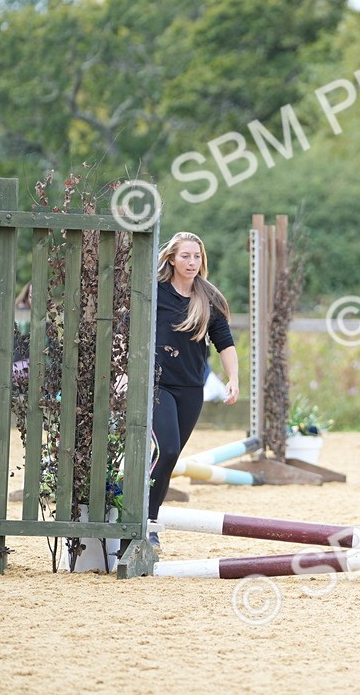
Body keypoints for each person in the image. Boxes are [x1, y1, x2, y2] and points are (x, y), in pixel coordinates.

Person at [149, 231, 239, 551]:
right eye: (185, 256)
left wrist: (234, 378)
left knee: (168, 458)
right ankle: (147, 522)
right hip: (156, 384)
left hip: (191, 387)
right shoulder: (154, 292)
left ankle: (146, 515)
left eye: (197, 256)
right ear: (171, 258)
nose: (192, 262)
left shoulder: (209, 298)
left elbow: (224, 343)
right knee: (168, 449)